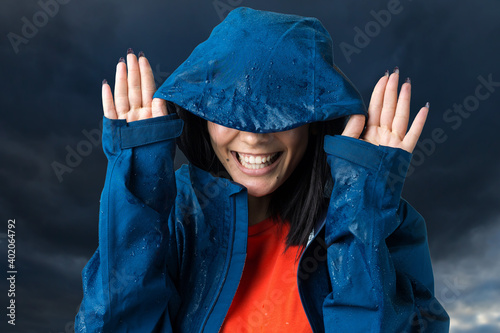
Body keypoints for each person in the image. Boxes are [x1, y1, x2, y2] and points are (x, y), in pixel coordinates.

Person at [75, 7, 449, 333]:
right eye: (228, 112)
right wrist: (139, 185)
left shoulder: (382, 219)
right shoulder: (173, 217)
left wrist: (359, 211)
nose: (253, 138)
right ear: (202, 120)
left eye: (281, 114)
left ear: (314, 122)